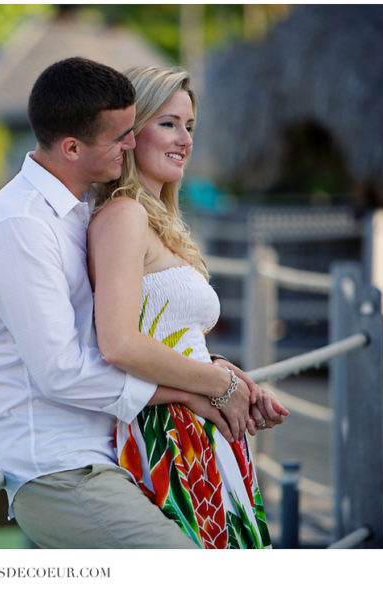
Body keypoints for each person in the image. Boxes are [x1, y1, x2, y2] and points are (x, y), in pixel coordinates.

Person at [0, 57, 260, 549]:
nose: (131, 141)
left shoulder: (80, 213)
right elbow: (63, 371)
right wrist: (197, 387)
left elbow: (132, 330)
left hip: (120, 453)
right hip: (62, 469)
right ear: (73, 147)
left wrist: (215, 370)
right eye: (123, 134)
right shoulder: (21, 227)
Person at [87, 65, 289, 549]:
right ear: (131, 134)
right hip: (168, 437)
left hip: (202, 425)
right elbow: (118, 343)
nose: (185, 139)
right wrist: (218, 383)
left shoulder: (162, 224)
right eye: (169, 123)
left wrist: (227, 375)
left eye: (190, 126)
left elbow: (171, 336)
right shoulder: (123, 216)